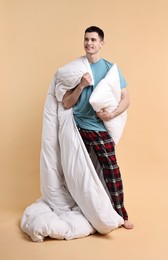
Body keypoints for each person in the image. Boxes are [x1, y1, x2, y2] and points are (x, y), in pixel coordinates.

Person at [62, 26, 133, 229]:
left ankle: (121, 214)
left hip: (98, 128)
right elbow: (67, 103)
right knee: (78, 171)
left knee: (111, 169)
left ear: (101, 43)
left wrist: (111, 114)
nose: (89, 43)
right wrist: (81, 85)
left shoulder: (110, 69)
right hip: (77, 126)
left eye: (93, 40)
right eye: (86, 39)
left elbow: (126, 99)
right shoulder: (76, 68)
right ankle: (82, 209)